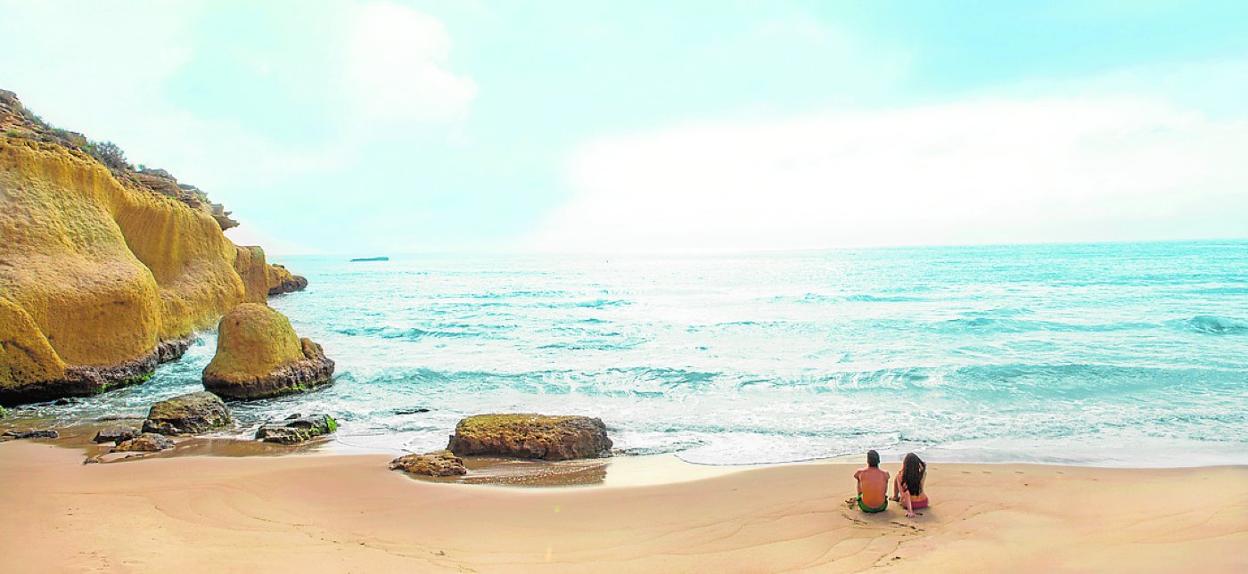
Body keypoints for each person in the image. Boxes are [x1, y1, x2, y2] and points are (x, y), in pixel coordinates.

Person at [892, 452, 929, 518]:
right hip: (924, 502)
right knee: (898, 477)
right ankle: (895, 496)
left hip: (910, 504)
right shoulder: (922, 474)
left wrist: (910, 511)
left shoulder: (901, 476)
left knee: (897, 477)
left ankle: (895, 496)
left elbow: (906, 494)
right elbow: (923, 468)